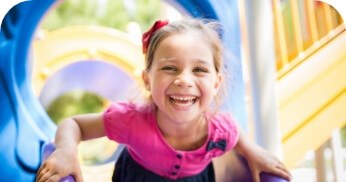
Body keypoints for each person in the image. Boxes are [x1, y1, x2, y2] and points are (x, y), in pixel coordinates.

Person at [36, 18, 291, 182]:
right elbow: (74, 124)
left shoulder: (218, 131)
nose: (184, 80)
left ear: (216, 84)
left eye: (200, 70)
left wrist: (255, 152)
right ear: (147, 79)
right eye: (170, 68)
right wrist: (66, 151)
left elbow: (235, 133)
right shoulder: (130, 121)